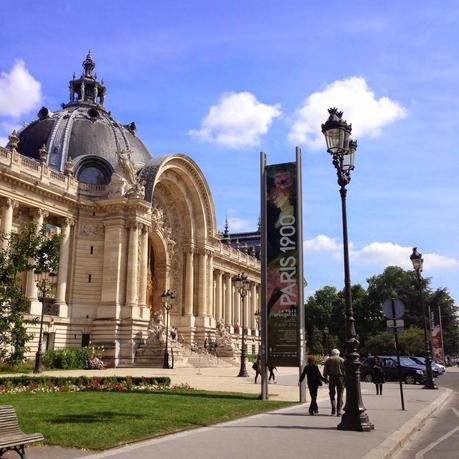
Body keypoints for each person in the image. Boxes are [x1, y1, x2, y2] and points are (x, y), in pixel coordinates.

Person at [323, 348, 345, 416]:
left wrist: (325, 378)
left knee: (332, 394)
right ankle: (339, 411)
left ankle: (333, 409)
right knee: (340, 394)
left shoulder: (328, 360)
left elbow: (325, 370)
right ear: (338, 354)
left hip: (332, 378)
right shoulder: (341, 360)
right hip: (340, 378)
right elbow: (345, 370)